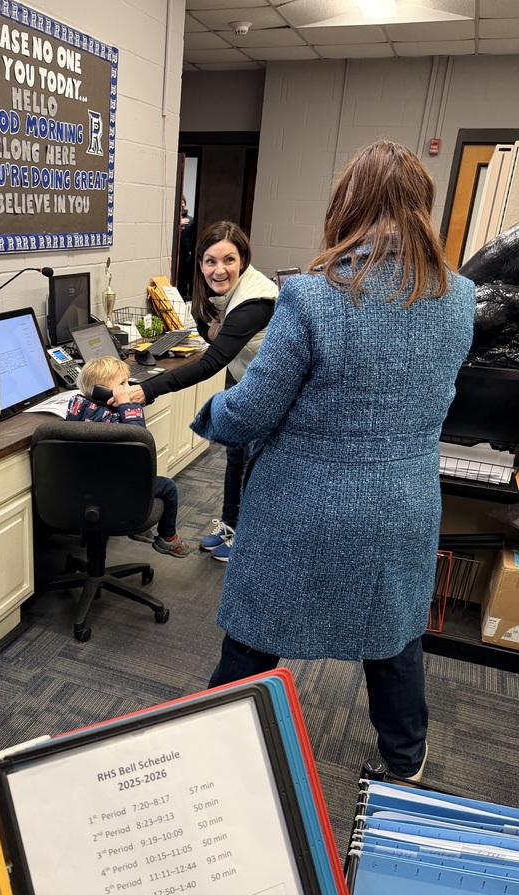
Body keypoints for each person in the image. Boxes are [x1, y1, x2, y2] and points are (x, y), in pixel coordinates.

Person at [191, 140, 476, 783]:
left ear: (346, 205)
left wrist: (209, 418)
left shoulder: (313, 296)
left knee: (257, 634)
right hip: (405, 503)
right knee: (394, 638)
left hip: (305, 507)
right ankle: (404, 760)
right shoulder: (460, 298)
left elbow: (253, 410)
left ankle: (204, 747)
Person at [124, 221, 279, 562]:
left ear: (243, 259)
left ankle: (245, 540)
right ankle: (229, 525)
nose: (219, 269)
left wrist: (146, 390)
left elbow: (212, 363)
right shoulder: (235, 294)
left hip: (273, 392)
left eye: (228, 260)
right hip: (250, 383)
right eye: (210, 261)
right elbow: (223, 338)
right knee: (235, 455)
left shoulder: (254, 300)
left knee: (254, 464)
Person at [66, 356, 190, 557]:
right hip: (118, 489)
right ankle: (168, 538)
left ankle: (141, 530)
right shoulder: (116, 419)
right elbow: (139, 436)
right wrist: (127, 405)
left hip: (81, 487)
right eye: (123, 384)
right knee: (168, 488)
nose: (129, 387)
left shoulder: (77, 404)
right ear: (103, 390)